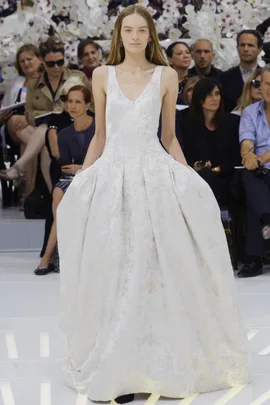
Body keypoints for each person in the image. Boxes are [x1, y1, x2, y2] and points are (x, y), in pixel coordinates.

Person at [57, 5, 250, 403]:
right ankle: (117, 362)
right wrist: (84, 180)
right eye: (127, 30)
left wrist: (187, 180)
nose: (133, 36)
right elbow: (100, 136)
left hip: (152, 176)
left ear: (150, 35)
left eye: (140, 30)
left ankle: (153, 363)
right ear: (118, 34)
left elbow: (169, 135)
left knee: (152, 266)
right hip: (113, 177)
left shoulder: (166, 76)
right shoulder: (101, 75)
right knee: (115, 266)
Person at [0, 38, 91, 192]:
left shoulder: (77, 77)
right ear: (42, 61)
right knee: (45, 133)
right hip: (45, 128)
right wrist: (46, 114)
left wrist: (57, 112)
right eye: (51, 64)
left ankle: (19, 169)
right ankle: (53, 195)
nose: (56, 67)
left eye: (60, 62)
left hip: (71, 125)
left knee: (45, 130)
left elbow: (88, 105)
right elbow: (29, 113)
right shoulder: (34, 82)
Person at [35, 85, 95, 276]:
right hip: (71, 178)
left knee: (61, 196)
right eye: (70, 101)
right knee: (59, 192)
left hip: (96, 176)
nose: (73, 105)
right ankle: (54, 255)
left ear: (88, 104)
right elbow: (65, 167)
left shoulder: (99, 128)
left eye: (78, 101)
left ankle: (48, 256)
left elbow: (105, 160)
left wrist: (82, 167)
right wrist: (79, 168)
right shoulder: (64, 134)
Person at [181, 78, 241, 208]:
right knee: (204, 177)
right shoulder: (185, 120)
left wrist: (216, 169)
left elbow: (236, 157)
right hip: (194, 176)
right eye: (209, 94)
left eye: (217, 94)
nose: (214, 98)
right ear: (199, 98)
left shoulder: (232, 122)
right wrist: (194, 165)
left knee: (210, 178)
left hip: (227, 176)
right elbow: (183, 152)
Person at [238, 64, 270, 278]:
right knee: (248, 174)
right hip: (259, 171)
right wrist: (248, 155)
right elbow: (246, 139)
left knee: (253, 197)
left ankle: (253, 259)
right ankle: (268, 220)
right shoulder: (250, 112)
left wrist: (259, 158)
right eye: (267, 83)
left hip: (263, 165)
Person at [0, 44, 42, 196]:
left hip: (35, 126)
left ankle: (28, 194)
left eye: (29, 59)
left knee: (27, 142)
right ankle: (41, 147)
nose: (26, 63)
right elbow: (5, 107)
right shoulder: (15, 83)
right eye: (22, 61)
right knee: (16, 119)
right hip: (12, 126)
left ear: (39, 59)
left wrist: (30, 117)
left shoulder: (48, 80)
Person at [219, 30, 263, 112]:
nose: (246, 49)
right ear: (237, 48)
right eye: (242, 45)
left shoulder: (267, 77)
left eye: (250, 45)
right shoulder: (223, 78)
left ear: (259, 49)